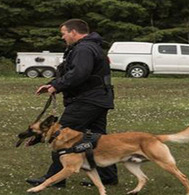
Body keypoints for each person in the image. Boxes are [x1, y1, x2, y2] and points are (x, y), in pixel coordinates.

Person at [26, 19, 118, 188]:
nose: (63, 37)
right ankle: (107, 176)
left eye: (64, 33)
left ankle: (54, 179)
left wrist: (57, 86)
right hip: (99, 99)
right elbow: (74, 72)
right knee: (98, 139)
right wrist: (53, 83)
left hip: (86, 100)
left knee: (59, 135)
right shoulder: (92, 47)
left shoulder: (83, 49)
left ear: (74, 32)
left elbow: (79, 74)